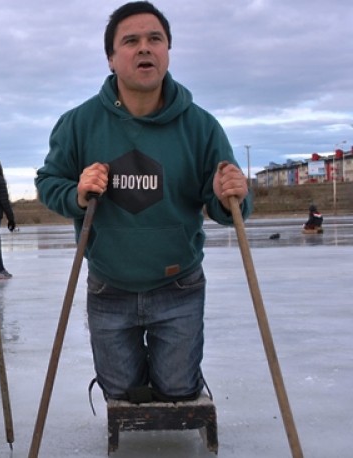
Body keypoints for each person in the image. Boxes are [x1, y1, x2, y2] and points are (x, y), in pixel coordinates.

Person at [35, 1, 251, 403]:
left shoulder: (200, 126)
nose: (144, 48)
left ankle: (177, 376)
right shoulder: (79, 123)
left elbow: (228, 204)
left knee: (178, 390)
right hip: (109, 284)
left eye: (155, 39)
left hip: (178, 283)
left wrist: (230, 195)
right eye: (130, 41)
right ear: (111, 58)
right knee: (122, 394)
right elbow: (49, 183)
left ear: (168, 50)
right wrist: (77, 194)